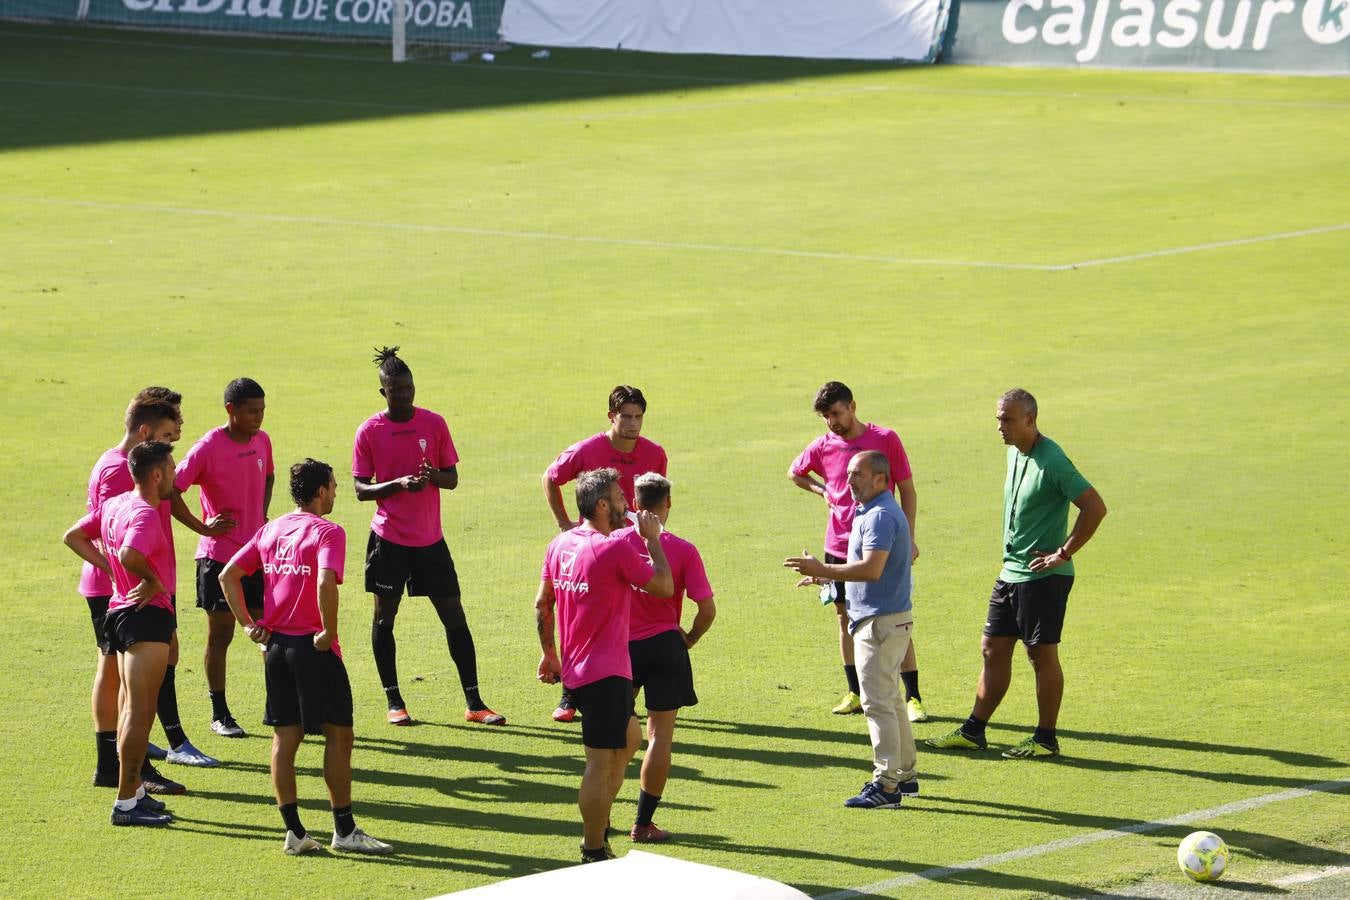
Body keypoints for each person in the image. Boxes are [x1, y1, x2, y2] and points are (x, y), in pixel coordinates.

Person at [220, 458, 393, 855]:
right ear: (319, 492)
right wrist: (328, 631)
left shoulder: (272, 529)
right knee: (339, 734)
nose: (335, 493)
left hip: (276, 649)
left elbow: (227, 574)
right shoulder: (328, 532)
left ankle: (295, 833)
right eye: (332, 487)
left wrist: (248, 625)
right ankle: (345, 831)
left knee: (285, 738)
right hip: (313, 649)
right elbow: (324, 581)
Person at [927, 389, 1106, 758]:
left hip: (1043, 576)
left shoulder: (1052, 459)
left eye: (1007, 419)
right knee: (992, 649)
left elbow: (1094, 507)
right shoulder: (1014, 452)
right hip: (1010, 572)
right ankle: (974, 731)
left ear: (1030, 419)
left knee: (1041, 656)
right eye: (997, 419)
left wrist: (1063, 552)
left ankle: (1045, 738)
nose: (1000, 427)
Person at [354, 346, 502, 726]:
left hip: (429, 540)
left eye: (409, 388)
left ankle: (475, 702)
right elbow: (359, 488)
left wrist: (431, 477)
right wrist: (399, 484)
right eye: (396, 390)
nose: (404, 395)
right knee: (384, 618)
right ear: (382, 392)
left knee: (454, 616)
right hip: (388, 540)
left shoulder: (434, 424)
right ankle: (394, 701)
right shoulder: (369, 431)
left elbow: (451, 479)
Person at [534, 468, 673, 863]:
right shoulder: (611, 548)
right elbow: (663, 586)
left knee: (628, 740)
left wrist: (549, 652)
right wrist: (653, 540)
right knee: (599, 761)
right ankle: (593, 846)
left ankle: (598, 826)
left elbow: (542, 603)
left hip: (580, 671)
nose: (626, 504)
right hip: (606, 672)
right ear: (600, 505)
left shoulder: (560, 544)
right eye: (618, 497)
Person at [79, 397, 217, 790]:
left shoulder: (133, 470)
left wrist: (201, 529)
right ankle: (121, 769)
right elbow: (109, 535)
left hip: (134, 585)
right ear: (145, 433)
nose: (171, 449)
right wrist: (125, 573)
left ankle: (123, 766)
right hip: (124, 590)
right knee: (116, 678)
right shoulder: (118, 472)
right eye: (167, 438)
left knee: (128, 680)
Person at [787, 451, 919, 809]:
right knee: (890, 700)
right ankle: (904, 775)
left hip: (879, 623)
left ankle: (887, 784)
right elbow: (865, 567)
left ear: (880, 478)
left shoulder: (879, 516)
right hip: (884, 619)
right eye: (848, 473)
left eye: (857, 474)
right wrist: (825, 577)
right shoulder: (872, 512)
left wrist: (827, 570)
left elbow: (872, 570)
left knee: (876, 703)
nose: (849, 480)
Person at [789, 381, 925, 720]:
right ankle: (855, 691)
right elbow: (795, 472)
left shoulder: (885, 440)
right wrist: (822, 491)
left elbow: (907, 490)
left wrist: (908, 537)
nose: (831, 422)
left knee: (893, 615)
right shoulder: (824, 445)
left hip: (882, 544)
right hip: (838, 543)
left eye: (835, 413)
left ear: (852, 406)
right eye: (825, 417)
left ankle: (913, 696)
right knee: (844, 616)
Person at [64, 441, 182, 827]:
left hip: (118, 612)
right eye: (172, 467)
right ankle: (125, 804)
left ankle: (136, 794)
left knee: (131, 707)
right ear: (157, 474)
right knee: (138, 711)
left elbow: (74, 536)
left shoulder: (114, 504)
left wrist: (113, 573)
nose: (175, 474)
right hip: (145, 618)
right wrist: (149, 578)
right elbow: (132, 554)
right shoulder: (146, 514)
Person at [542, 385, 667, 723]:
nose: (632, 424)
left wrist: (655, 535)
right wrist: (564, 524)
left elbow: (656, 497)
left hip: (631, 546)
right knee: (582, 614)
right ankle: (569, 694)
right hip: (591, 549)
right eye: (625, 416)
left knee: (627, 618)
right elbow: (550, 478)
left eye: (638, 417)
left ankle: (625, 691)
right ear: (611, 416)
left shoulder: (655, 453)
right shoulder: (587, 450)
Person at [616, 472, 716, 843]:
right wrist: (688, 638)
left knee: (614, 740)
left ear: (635, 505)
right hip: (664, 647)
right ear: (667, 504)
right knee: (659, 737)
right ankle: (642, 824)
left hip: (619, 651)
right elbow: (707, 610)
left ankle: (601, 813)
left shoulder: (615, 543)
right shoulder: (683, 549)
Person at [172, 377, 274, 738]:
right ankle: (220, 714)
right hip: (218, 558)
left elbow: (269, 476)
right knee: (222, 637)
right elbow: (170, 489)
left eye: (262, 410)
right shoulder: (207, 447)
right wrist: (203, 527)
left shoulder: (262, 440)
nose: (258, 418)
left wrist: (260, 515)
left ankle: (277, 707)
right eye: (251, 411)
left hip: (256, 555)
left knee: (270, 631)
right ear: (231, 410)